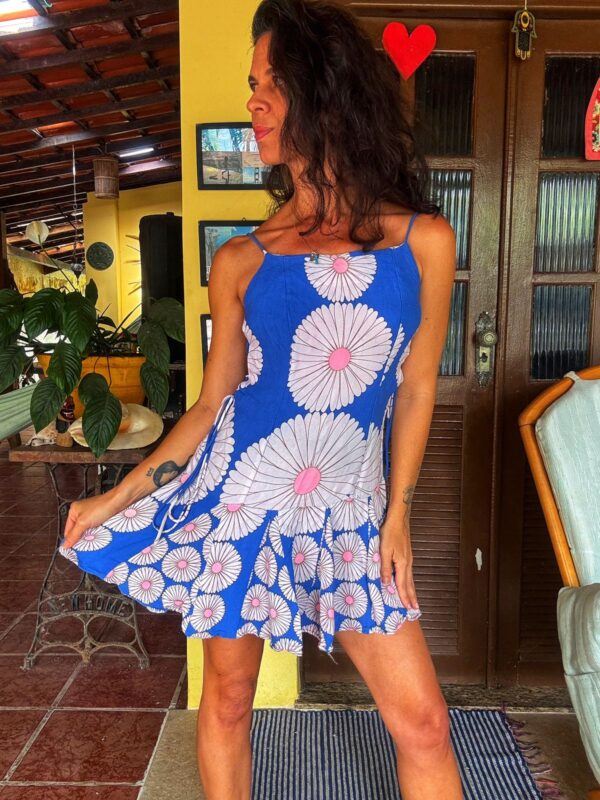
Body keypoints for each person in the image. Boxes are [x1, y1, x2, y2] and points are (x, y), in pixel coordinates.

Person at [59, 0, 461, 797]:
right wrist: (118, 494)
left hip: (352, 513)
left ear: (325, 91)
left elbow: (418, 385)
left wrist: (399, 512)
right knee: (228, 699)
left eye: (270, 83)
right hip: (242, 502)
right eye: (252, 85)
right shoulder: (242, 260)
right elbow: (211, 408)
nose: (254, 102)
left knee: (423, 724)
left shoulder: (423, 242)